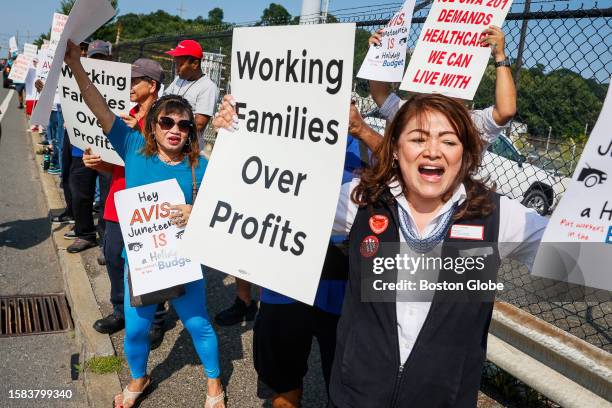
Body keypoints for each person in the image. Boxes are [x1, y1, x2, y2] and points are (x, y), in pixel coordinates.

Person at [325, 93, 548, 407]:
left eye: (449, 141)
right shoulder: (361, 200)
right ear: (395, 147)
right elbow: (276, 201)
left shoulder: (498, 217)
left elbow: (587, 262)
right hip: (357, 396)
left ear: (467, 152)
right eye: (418, 138)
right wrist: (230, 136)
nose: (432, 152)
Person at [63, 39, 225, 408]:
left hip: (184, 263)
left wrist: (194, 213)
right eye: (166, 121)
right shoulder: (132, 147)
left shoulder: (201, 166)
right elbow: (97, 104)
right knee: (135, 330)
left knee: (198, 325)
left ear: (190, 132)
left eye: (184, 125)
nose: (175, 129)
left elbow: (224, 209)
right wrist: (76, 64)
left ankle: (214, 383)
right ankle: (139, 377)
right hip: (142, 265)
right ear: (153, 126)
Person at [212, 96, 378, 408]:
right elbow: (235, 179)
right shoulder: (278, 135)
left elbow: (405, 167)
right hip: (284, 275)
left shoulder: (361, 144)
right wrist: (229, 131)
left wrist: (362, 130)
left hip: (342, 277)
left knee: (344, 383)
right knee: (283, 380)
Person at [84, 58, 167, 350]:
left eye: (135, 80)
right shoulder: (128, 114)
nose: (129, 86)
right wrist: (99, 164)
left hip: (147, 201)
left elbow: (168, 158)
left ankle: (156, 318)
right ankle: (120, 309)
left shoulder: (166, 117)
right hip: (118, 196)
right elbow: (122, 164)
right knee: (113, 253)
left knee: (148, 262)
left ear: (152, 86)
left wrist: (143, 132)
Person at [368, 25, 516, 145]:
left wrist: (500, 56)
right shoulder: (409, 111)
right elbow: (380, 94)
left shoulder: (469, 122)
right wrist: (377, 54)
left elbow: (505, 111)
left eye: (449, 142)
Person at [64, 40, 113, 253]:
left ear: (109, 59)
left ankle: (105, 241)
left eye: (102, 57)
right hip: (82, 147)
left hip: (109, 150)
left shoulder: (118, 80)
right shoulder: (76, 76)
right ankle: (85, 234)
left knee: (106, 197)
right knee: (79, 192)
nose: (98, 61)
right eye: (95, 57)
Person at [164, 39, 219, 152]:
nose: (177, 68)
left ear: (194, 64)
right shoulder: (178, 80)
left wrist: (169, 121)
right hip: (169, 144)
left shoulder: (208, 87)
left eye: (180, 64)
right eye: (176, 64)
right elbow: (161, 103)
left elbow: (199, 124)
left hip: (188, 150)